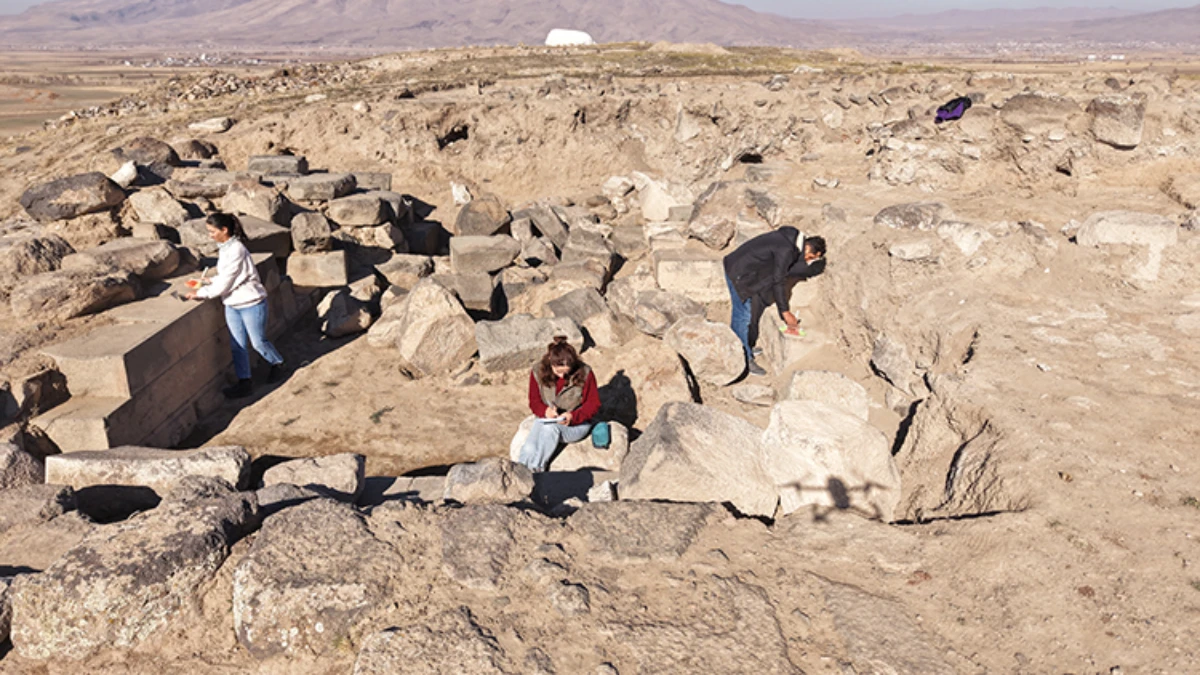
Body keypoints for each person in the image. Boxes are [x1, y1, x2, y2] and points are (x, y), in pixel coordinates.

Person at [185, 213, 285, 398]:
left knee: (258, 342)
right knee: (237, 345)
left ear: (224, 230)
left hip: (251, 304)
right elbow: (227, 276)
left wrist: (200, 293)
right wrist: (210, 280)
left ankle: (277, 362)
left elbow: (226, 283)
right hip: (232, 304)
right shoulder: (225, 248)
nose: (210, 235)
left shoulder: (236, 249)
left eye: (212, 231)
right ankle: (244, 381)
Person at [723, 227, 826, 376]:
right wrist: (785, 312)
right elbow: (779, 281)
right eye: (812, 258)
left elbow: (787, 268)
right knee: (742, 315)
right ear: (810, 252)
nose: (809, 261)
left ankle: (744, 346)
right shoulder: (786, 250)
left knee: (746, 313)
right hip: (739, 272)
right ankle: (743, 358)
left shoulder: (791, 238)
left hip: (742, 266)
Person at [518, 336, 601, 473]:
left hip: (577, 425)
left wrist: (573, 416)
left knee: (550, 429)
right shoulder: (537, 371)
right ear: (550, 363)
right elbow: (534, 401)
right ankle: (519, 472)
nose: (562, 376)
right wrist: (545, 411)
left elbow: (593, 404)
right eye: (558, 371)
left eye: (566, 372)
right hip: (547, 419)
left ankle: (537, 470)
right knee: (529, 448)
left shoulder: (586, 373)